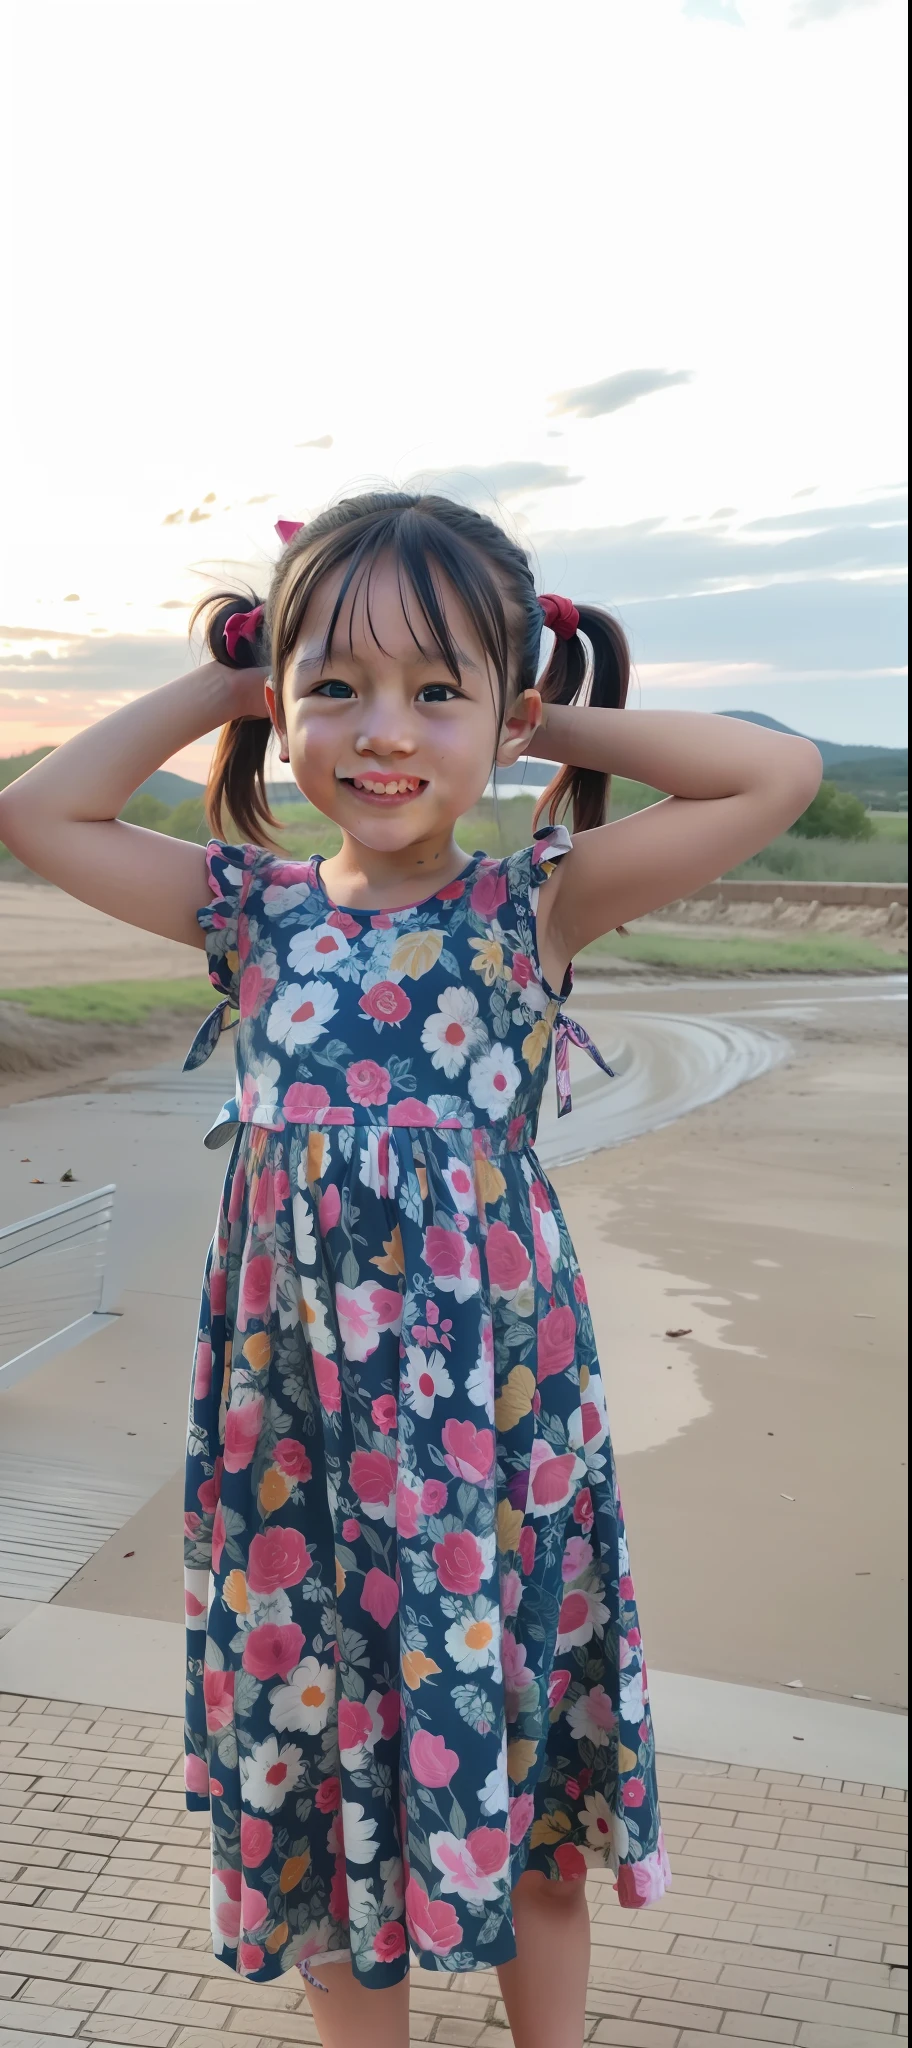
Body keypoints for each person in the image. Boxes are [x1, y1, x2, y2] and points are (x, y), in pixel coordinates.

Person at [0, 492, 822, 2048]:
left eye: (437, 694)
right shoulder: (247, 913)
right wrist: (237, 671)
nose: (385, 734)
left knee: (533, 1804)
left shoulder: (536, 905)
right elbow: (43, 812)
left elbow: (772, 771)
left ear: (502, 717)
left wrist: (535, 695)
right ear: (281, 705)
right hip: (290, 1456)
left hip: (494, 1455)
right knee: (316, 1802)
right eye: (339, 689)